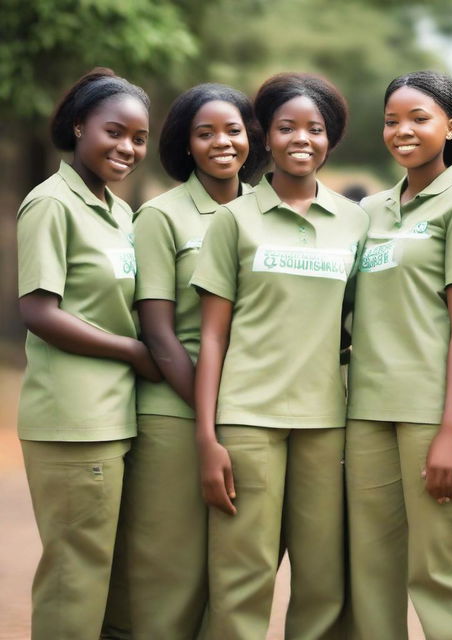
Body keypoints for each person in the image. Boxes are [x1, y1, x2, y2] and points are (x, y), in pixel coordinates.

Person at [191, 72, 369, 640]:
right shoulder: (232, 221)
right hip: (246, 421)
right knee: (242, 575)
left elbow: (355, 321)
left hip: (325, 421)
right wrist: (206, 436)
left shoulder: (354, 222)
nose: (302, 139)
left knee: (322, 580)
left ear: (330, 138)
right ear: (264, 136)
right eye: (287, 127)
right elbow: (212, 336)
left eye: (315, 129)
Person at [345, 71, 452, 640]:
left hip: (431, 412)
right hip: (366, 413)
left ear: (451, 127)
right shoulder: (372, 211)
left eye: (419, 118)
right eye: (391, 120)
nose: (402, 130)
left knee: (438, 570)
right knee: (372, 571)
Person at [16, 68, 159, 640]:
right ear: (79, 127)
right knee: (75, 577)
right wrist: (135, 352)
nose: (127, 148)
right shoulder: (51, 204)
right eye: (114, 131)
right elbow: (39, 311)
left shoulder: (121, 214)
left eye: (139, 138)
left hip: (118, 414)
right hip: (74, 421)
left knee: (120, 573)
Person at [121, 83, 267, 639]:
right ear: (185, 144)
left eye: (232, 130)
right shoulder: (161, 217)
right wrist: (216, 411)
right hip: (177, 416)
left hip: (250, 417)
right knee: (171, 570)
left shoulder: (265, 213)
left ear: (252, 137)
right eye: (204, 133)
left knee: (231, 574)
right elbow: (158, 334)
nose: (221, 143)